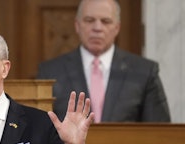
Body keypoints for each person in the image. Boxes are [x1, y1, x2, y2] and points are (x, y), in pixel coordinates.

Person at [37, 0, 171, 122]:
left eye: (106, 21)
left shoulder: (144, 72)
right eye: (89, 20)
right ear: (77, 26)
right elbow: (40, 131)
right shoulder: (50, 72)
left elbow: (160, 134)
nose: (97, 28)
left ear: (117, 28)